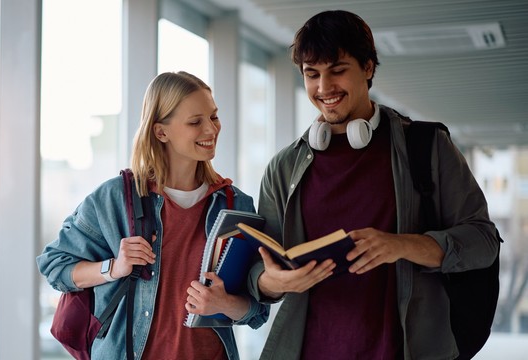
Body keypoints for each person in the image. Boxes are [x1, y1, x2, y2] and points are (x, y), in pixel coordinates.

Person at [246, 10, 501, 360]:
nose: (324, 88)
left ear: (367, 68)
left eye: (338, 70)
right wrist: (274, 282)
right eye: (312, 74)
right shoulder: (283, 168)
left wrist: (402, 245)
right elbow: (260, 270)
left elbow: (483, 242)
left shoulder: (427, 148)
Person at [37, 71, 270, 360]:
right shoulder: (115, 199)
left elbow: (258, 312)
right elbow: (55, 266)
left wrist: (224, 303)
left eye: (214, 117)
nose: (211, 130)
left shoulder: (236, 205)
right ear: (161, 132)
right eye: (195, 122)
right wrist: (114, 267)